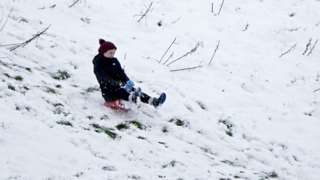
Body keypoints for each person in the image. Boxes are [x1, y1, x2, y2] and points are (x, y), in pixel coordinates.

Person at [92, 39, 166, 109]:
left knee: (133, 90)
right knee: (122, 91)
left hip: (120, 85)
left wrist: (127, 81)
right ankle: (133, 98)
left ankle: (154, 101)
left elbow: (121, 73)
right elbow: (103, 77)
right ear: (103, 52)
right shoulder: (99, 64)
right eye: (110, 53)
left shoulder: (114, 61)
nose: (112, 55)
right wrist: (116, 83)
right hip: (108, 91)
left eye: (114, 53)